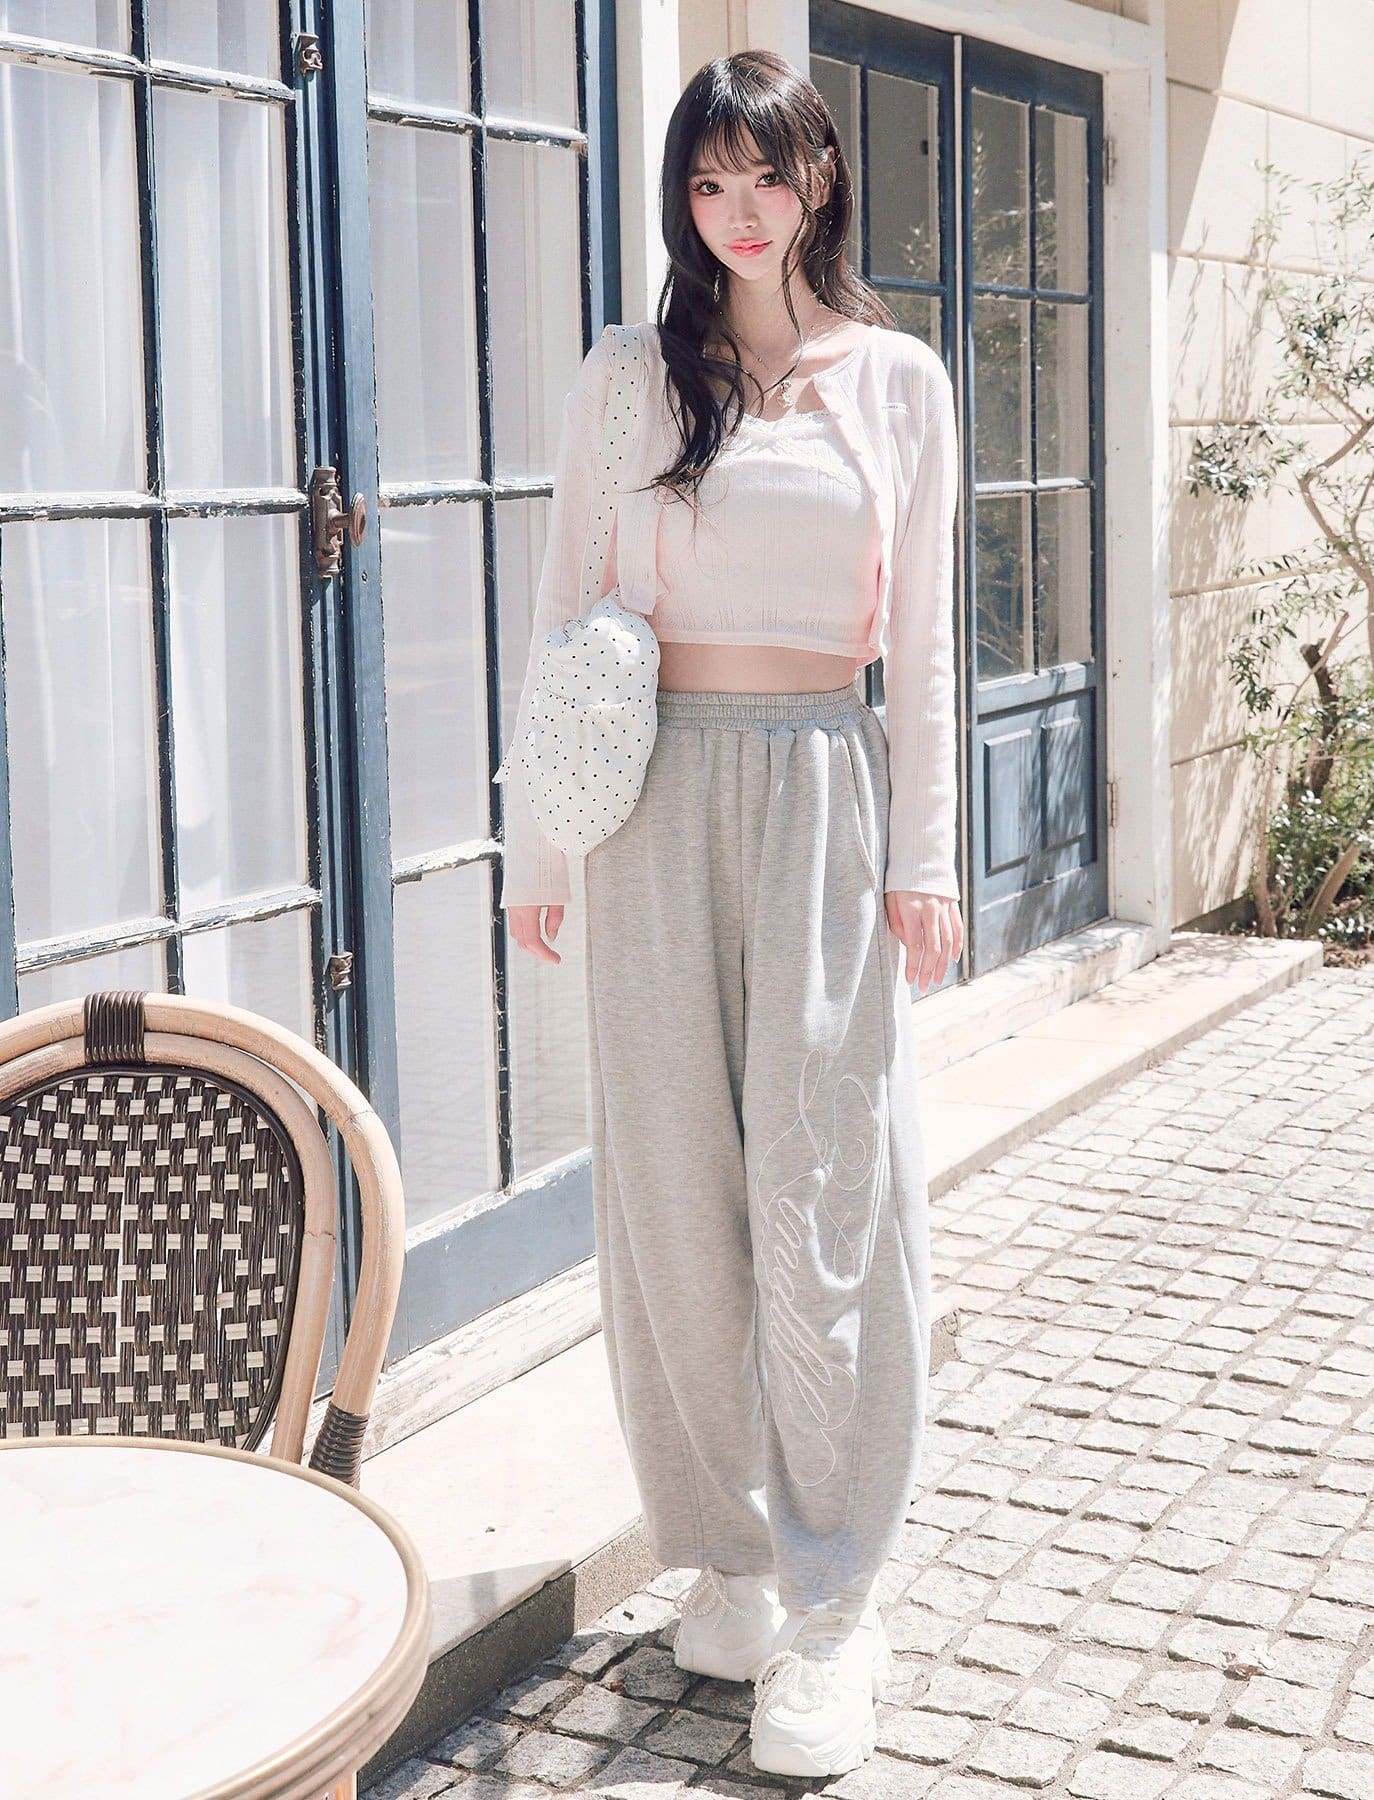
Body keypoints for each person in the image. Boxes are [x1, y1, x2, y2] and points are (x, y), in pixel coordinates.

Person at [498, 48, 962, 1779]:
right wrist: (541, 852)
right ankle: (737, 1557)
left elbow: (924, 638)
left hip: (825, 792)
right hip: (649, 802)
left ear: (819, 178)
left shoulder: (896, 381)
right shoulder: (630, 377)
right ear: (682, 200)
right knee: (675, 1195)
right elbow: (564, 610)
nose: (740, 210)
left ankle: (840, 1609)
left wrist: (927, 858)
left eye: (767, 175)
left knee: (828, 1191)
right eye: (709, 182)